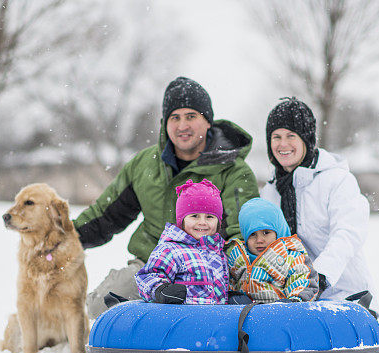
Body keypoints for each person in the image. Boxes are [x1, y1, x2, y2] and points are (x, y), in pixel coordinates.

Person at [72, 77, 258, 317]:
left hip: (209, 267)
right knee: (100, 309)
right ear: (164, 123)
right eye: (175, 118)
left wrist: (232, 277)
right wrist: (65, 237)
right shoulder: (144, 164)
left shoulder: (234, 170)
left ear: (207, 121)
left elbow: (240, 230)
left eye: (191, 116)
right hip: (153, 264)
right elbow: (106, 215)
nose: (182, 126)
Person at [259, 97, 379, 353]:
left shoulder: (337, 180)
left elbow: (347, 234)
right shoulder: (270, 192)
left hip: (346, 295)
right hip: (293, 301)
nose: (283, 144)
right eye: (276, 136)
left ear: (306, 139)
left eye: (291, 136)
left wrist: (319, 277)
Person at [135, 179, 229, 305]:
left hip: (215, 321)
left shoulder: (218, 252)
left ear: (218, 222)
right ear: (182, 220)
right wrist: (161, 290)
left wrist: (231, 297)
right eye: (194, 216)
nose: (202, 222)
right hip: (182, 319)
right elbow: (146, 277)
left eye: (209, 217)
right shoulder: (170, 249)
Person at [225, 197, 320, 303]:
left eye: (266, 232)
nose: (259, 240)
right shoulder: (238, 257)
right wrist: (233, 298)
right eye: (252, 234)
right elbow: (230, 283)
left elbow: (303, 282)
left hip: (279, 314)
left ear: (278, 231)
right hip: (246, 314)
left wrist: (294, 302)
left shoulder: (291, 257)